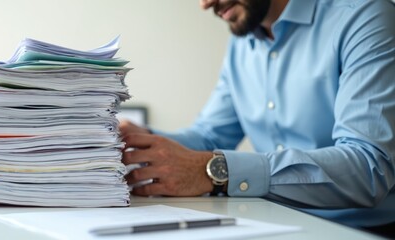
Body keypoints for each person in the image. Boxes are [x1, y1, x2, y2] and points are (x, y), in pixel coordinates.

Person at [120, 0, 395, 237]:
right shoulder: (242, 43)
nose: (205, 4)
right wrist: (139, 139)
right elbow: (210, 136)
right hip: (274, 223)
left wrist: (217, 171)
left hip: (361, 231)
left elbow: (369, 167)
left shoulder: (364, 17)